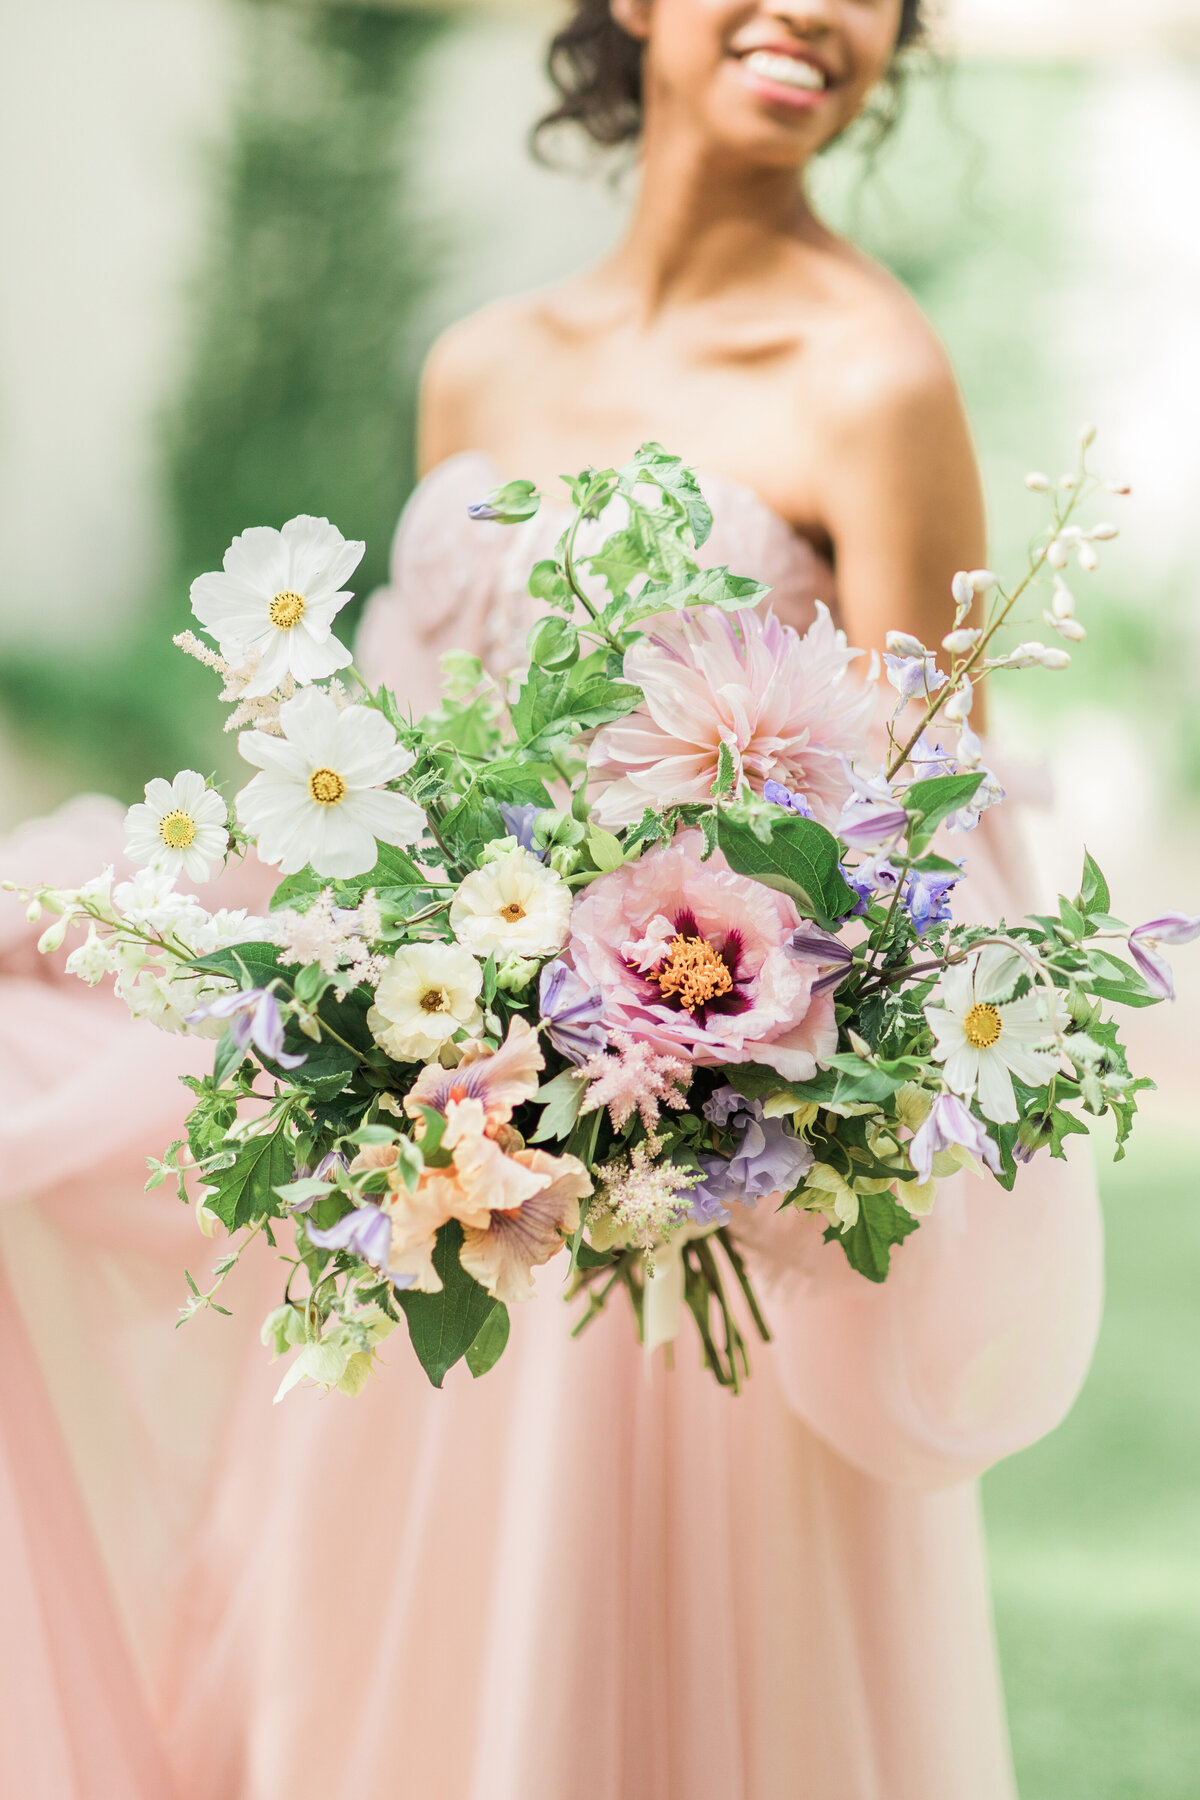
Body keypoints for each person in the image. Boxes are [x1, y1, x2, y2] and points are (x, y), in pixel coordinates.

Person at [0, 2, 1101, 1795]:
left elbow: (930, 838)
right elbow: (397, 782)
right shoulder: (483, 365)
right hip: (454, 1175)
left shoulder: (872, 377)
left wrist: (714, 1053)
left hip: (690, 1213)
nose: (823, 13)